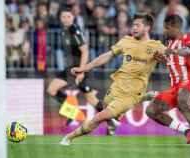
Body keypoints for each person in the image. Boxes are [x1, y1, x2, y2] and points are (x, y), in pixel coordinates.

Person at [59, 12, 166, 145]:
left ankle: (68, 137)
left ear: (147, 27)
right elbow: (107, 56)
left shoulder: (157, 46)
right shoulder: (126, 41)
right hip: (117, 86)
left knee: (99, 117)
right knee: (104, 107)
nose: (134, 28)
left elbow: (172, 60)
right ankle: (143, 97)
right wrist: (85, 68)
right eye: (133, 25)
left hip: (131, 93)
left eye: (137, 25)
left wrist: (166, 60)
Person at [146, 15, 190, 144]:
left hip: (189, 81)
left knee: (182, 101)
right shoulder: (170, 44)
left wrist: (173, 52)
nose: (164, 31)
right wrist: (163, 59)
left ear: (175, 28)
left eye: (166, 28)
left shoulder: (187, 38)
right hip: (175, 88)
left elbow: (187, 51)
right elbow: (174, 62)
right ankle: (186, 131)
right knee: (151, 111)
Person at [47, 5, 102, 125]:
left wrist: (81, 71)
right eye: (63, 17)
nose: (66, 19)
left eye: (68, 16)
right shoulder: (64, 30)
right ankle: (72, 112)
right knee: (51, 90)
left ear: (73, 17)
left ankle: (111, 118)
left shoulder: (74, 30)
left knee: (91, 98)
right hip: (70, 69)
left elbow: (85, 50)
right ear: (60, 18)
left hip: (79, 69)